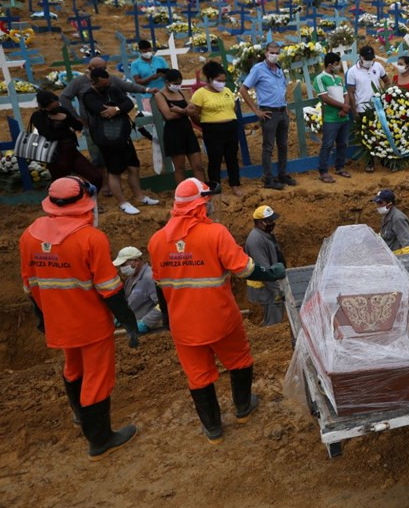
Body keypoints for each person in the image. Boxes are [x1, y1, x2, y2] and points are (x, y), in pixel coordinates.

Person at [148, 178, 286, 443]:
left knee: (198, 377)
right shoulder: (216, 233)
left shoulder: (156, 242)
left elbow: (160, 287)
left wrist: (167, 321)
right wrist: (270, 273)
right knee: (240, 360)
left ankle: (213, 430)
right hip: (221, 319)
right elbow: (245, 268)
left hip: (184, 327)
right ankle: (243, 408)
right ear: (201, 205)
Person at [19, 176, 139, 460]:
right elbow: (110, 289)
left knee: (73, 368)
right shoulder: (90, 238)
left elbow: (29, 284)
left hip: (58, 320)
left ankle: (79, 415)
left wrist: (43, 316)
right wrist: (128, 320)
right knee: (96, 378)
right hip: (90, 323)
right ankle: (100, 439)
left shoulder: (29, 236)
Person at [60, 57, 151, 196]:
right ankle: (104, 184)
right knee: (98, 157)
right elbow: (65, 97)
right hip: (93, 126)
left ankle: (120, 183)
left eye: (104, 67)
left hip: (117, 127)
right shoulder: (80, 84)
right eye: (100, 68)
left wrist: (145, 90)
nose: (104, 70)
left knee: (121, 158)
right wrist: (75, 117)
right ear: (90, 69)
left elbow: (128, 89)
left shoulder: (109, 81)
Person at [81, 68, 159, 215]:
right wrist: (118, 108)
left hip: (123, 135)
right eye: (103, 84)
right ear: (94, 82)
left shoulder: (113, 89)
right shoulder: (88, 96)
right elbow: (101, 111)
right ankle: (122, 202)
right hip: (107, 140)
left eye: (108, 83)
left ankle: (139, 196)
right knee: (114, 171)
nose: (107, 86)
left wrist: (116, 109)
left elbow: (128, 103)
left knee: (133, 167)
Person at [240, 41, 294, 190]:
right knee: (268, 147)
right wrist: (256, 110)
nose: (274, 55)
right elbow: (243, 89)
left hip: (282, 112)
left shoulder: (279, 70)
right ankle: (268, 179)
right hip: (268, 113)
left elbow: (282, 88)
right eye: (272, 52)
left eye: (277, 53)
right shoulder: (258, 69)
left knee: (283, 145)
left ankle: (282, 174)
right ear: (266, 53)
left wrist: (285, 105)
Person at [30, 90, 102, 189]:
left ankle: (89, 201)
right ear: (45, 106)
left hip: (72, 151)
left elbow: (78, 126)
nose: (57, 107)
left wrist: (66, 118)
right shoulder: (38, 116)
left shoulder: (62, 110)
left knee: (96, 177)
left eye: (57, 104)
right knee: (62, 186)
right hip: (56, 155)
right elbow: (49, 135)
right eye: (54, 105)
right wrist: (68, 131)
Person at [190, 62, 242, 197]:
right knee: (215, 159)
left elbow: (233, 108)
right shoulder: (200, 94)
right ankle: (215, 187)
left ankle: (235, 184)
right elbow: (195, 114)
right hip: (212, 129)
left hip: (230, 127)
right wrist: (205, 125)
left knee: (232, 157)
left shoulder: (227, 91)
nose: (222, 83)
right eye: (219, 81)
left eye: (224, 81)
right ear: (210, 79)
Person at [153, 68, 205, 187]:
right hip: (173, 133)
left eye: (179, 83)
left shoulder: (183, 92)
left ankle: (203, 191)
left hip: (187, 131)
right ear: (167, 82)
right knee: (180, 168)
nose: (178, 86)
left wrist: (180, 110)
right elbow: (168, 115)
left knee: (198, 166)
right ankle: (184, 195)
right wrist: (186, 111)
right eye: (175, 83)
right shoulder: (159, 95)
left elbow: (192, 110)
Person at [346, 45, 390, 173]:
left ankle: (383, 159)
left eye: (372, 58)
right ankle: (369, 161)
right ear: (361, 57)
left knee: (381, 134)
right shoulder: (352, 72)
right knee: (367, 136)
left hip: (378, 106)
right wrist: (354, 112)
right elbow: (351, 93)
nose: (370, 61)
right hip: (362, 108)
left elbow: (387, 81)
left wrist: (385, 94)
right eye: (367, 58)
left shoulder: (377, 66)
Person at [245, 205, 286, 326]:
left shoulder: (265, 235)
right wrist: (278, 291)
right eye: (269, 221)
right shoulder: (255, 241)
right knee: (273, 325)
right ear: (260, 222)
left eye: (272, 220)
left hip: (270, 287)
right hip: (265, 290)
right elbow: (265, 272)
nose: (272, 223)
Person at [316, 52, 352, 183]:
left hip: (343, 117)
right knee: (328, 144)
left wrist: (345, 107)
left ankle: (340, 167)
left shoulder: (338, 79)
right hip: (331, 118)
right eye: (337, 64)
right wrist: (343, 106)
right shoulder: (320, 78)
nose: (338, 67)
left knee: (342, 143)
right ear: (330, 64)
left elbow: (345, 93)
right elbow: (325, 97)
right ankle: (323, 171)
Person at [113, 245, 163, 333]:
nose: (122, 268)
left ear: (136, 261)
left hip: (153, 331)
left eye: (123, 264)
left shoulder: (150, 277)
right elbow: (129, 300)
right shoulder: (131, 278)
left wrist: (145, 323)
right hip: (135, 328)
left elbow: (162, 305)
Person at [374, 189, 409, 255]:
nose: (378, 205)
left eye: (381, 203)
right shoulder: (386, 216)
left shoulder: (398, 218)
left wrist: (406, 262)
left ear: (390, 204)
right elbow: (386, 235)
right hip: (390, 257)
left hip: (397, 258)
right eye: (377, 203)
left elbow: (407, 245)